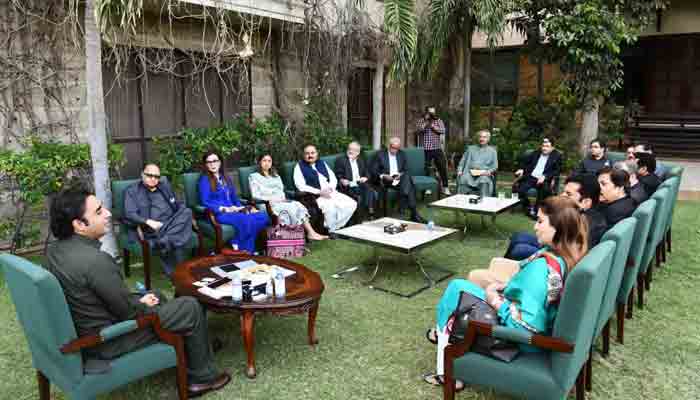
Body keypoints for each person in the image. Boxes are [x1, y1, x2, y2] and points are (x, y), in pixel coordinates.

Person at [47, 187, 230, 397]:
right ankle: (202, 378)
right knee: (189, 306)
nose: (107, 213)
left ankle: (198, 349)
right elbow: (129, 313)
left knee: (157, 295)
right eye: (98, 211)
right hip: (108, 340)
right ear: (79, 225)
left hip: (91, 326)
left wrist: (144, 300)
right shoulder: (95, 262)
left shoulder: (56, 251)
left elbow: (103, 298)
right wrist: (144, 304)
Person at [423, 196, 587, 390]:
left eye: (541, 221)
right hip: (530, 325)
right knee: (461, 289)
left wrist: (494, 299)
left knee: (456, 289)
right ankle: (443, 333)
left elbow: (526, 328)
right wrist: (506, 287)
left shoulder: (542, 268)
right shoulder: (565, 257)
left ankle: (447, 370)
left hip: (521, 342)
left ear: (558, 228)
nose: (535, 226)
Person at [504, 174, 606, 260]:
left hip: (560, 259)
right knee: (519, 236)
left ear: (586, 202)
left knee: (520, 249)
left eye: (568, 194)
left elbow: (569, 254)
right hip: (554, 247)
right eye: (563, 191)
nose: (562, 195)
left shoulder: (588, 223)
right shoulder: (579, 213)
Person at [123, 164, 193, 276]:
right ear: (142, 174)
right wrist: (148, 221)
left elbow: (177, 204)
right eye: (149, 175)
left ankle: (165, 241)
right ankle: (179, 273)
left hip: (171, 223)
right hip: (153, 228)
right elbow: (130, 214)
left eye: (156, 176)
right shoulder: (132, 191)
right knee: (177, 236)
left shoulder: (164, 186)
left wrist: (181, 210)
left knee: (187, 211)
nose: (153, 179)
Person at [198, 151, 271, 253]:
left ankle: (237, 242)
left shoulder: (225, 177)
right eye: (209, 162)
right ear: (205, 165)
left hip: (234, 210)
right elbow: (205, 202)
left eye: (215, 161)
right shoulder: (204, 180)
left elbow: (234, 198)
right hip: (220, 214)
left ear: (220, 162)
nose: (212, 164)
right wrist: (223, 208)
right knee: (245, 220)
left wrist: (243, 208)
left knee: (263, 216)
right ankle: (246, 250)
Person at [248, 153, 328, 241]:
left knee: (297, 204)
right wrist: (270, 199)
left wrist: (281, 198)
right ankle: (296, 238)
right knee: (290, 208)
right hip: (267, 205)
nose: (267, 163)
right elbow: (254, 195)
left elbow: (281, 191)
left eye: (269, 161)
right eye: (264, 160)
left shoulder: (276, 176)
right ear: (260, 162)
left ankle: (309, 233)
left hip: (280, 201)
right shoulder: (254, 177)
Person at [293, 144, 357, 232]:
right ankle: (331, 230)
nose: (310, 155)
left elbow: (333, 177)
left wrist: (331, 188)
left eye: (312, 153)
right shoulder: (299, 166)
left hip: (331, 192)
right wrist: (319, 192)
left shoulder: (322, 163)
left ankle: (337, 226)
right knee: (330, 208)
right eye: (307, 153)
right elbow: (300, 185)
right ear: (304, 155)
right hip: (316, 196)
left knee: (352, 204)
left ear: (317, 153)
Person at [371, 137, 426, 223]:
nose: (395, 150)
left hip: (399, 180)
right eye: (393, 148)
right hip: (386, 180)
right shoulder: (380, 154)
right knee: (410, 186)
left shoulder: (402, 154)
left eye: (397, 148)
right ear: (389, 146)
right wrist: (383, 175)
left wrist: (400, 174)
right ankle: (413, 213)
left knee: (406, 177)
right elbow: (373, 171)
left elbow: (406, 169)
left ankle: (404, 205)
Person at [513, 137, 563, 219]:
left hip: (544, 179)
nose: (544, 148)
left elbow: (557, 171)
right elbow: (525, 162)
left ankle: (537, 211)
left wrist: (545, 176)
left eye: (547, 146)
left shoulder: (557, 156)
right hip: (531, 177)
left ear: (552, 148)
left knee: (544, 190)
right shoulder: (536, 153)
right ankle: (528, 207)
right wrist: (521, 169)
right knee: (519, 190)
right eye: (543, 146)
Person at [334, 141, 378, 219]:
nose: (350, 151)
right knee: (361, 193)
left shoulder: (361, 160)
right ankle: (367, 214)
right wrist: (342, 180)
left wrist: (365, 178)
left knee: (370, 191)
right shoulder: (341, 160)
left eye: (353, 150)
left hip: (359, 183)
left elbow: (367, 172)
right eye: (349, 149)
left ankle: (369, 212)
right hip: (348, 186)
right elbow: (338, 174)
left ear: (358, 152)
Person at [416, 106, 451, 195]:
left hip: (437, 148)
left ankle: (445, 187)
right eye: (430, 113)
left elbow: (443, 130)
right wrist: (426, 122)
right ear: (426, 112)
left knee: (442, 167)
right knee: (426, 168)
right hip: (425, 149)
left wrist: (433, 126)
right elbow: (419, 130)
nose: (432, 114)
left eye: (433, 113)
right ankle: (427, 187)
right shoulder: (421, 120)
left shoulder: (438, 120)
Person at [456, 130, 498, 197]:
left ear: (488, 139)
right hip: (469, 173)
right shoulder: (470, 149)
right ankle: (461, 201)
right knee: (464, 178)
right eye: (480, 137)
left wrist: (489, 171)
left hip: (483, 174)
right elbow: (462, 162)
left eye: (484, 137)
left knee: (483, 180)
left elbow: (495, 166)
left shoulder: (492, 151)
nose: (482, 139)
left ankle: (484, 202)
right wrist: (460, 170)